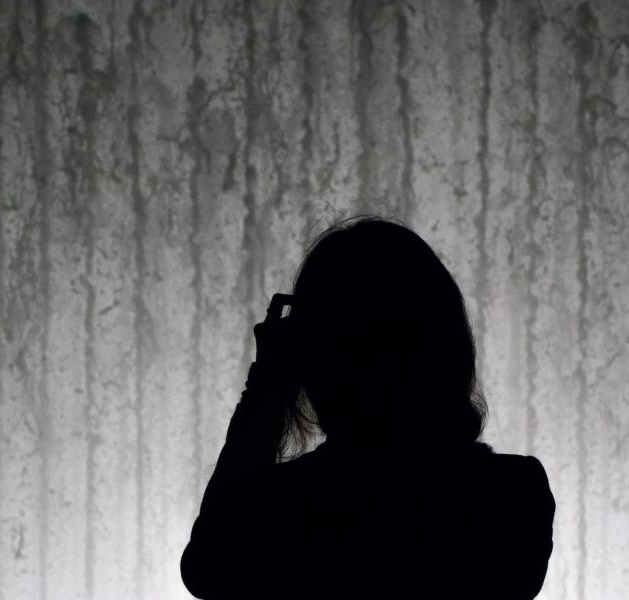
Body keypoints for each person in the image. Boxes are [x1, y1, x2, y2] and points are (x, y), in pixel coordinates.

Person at [181, 216, 555, 599]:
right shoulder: (513, 494)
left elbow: (208, 568)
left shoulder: (283, 509)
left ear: (313, 355)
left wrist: (266, 385)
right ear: (446, 345)